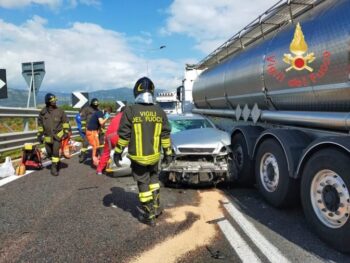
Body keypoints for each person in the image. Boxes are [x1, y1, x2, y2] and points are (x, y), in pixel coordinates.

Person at [113, 77, 173, 226]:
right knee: (154, 180)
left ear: (136, 91)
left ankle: (149, 214)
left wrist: (118, 152)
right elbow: (165, 135)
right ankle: (157, 207)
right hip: (154, 156)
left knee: (143, 183)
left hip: (138, 157)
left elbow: (124, 135)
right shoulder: (160, 111)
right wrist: (168, 153)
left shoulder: (131, 110)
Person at [37, 93, 70, 176]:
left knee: (55, 152)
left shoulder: (60, 111)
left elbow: (66, 122)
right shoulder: (43, 112)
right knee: (49, 153)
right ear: (47, 101)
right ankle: (56, 162)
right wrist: (39, 135)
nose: (54, 102)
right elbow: (40, 125)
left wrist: (65, 132)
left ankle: (54, 168)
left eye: (55, 100)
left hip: (57, 136)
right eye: (52, 101)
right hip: (47, 137)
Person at [96, 106, 125, 175]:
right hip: (117, 135)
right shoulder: (126, 116)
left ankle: (99, 170)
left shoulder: (116, 116)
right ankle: (120, 166)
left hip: (108, 136)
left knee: (106, 153)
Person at [79, 98, 99, 163]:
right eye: (95, 105)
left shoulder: (98, 110)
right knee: (85, 143)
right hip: (87, 129)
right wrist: (83, 128)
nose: (96, 106)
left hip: (95, 130)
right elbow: (83, 118)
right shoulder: (86, 109)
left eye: (97, 105)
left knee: (96, 143)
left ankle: (95, 156)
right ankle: (82, 155)